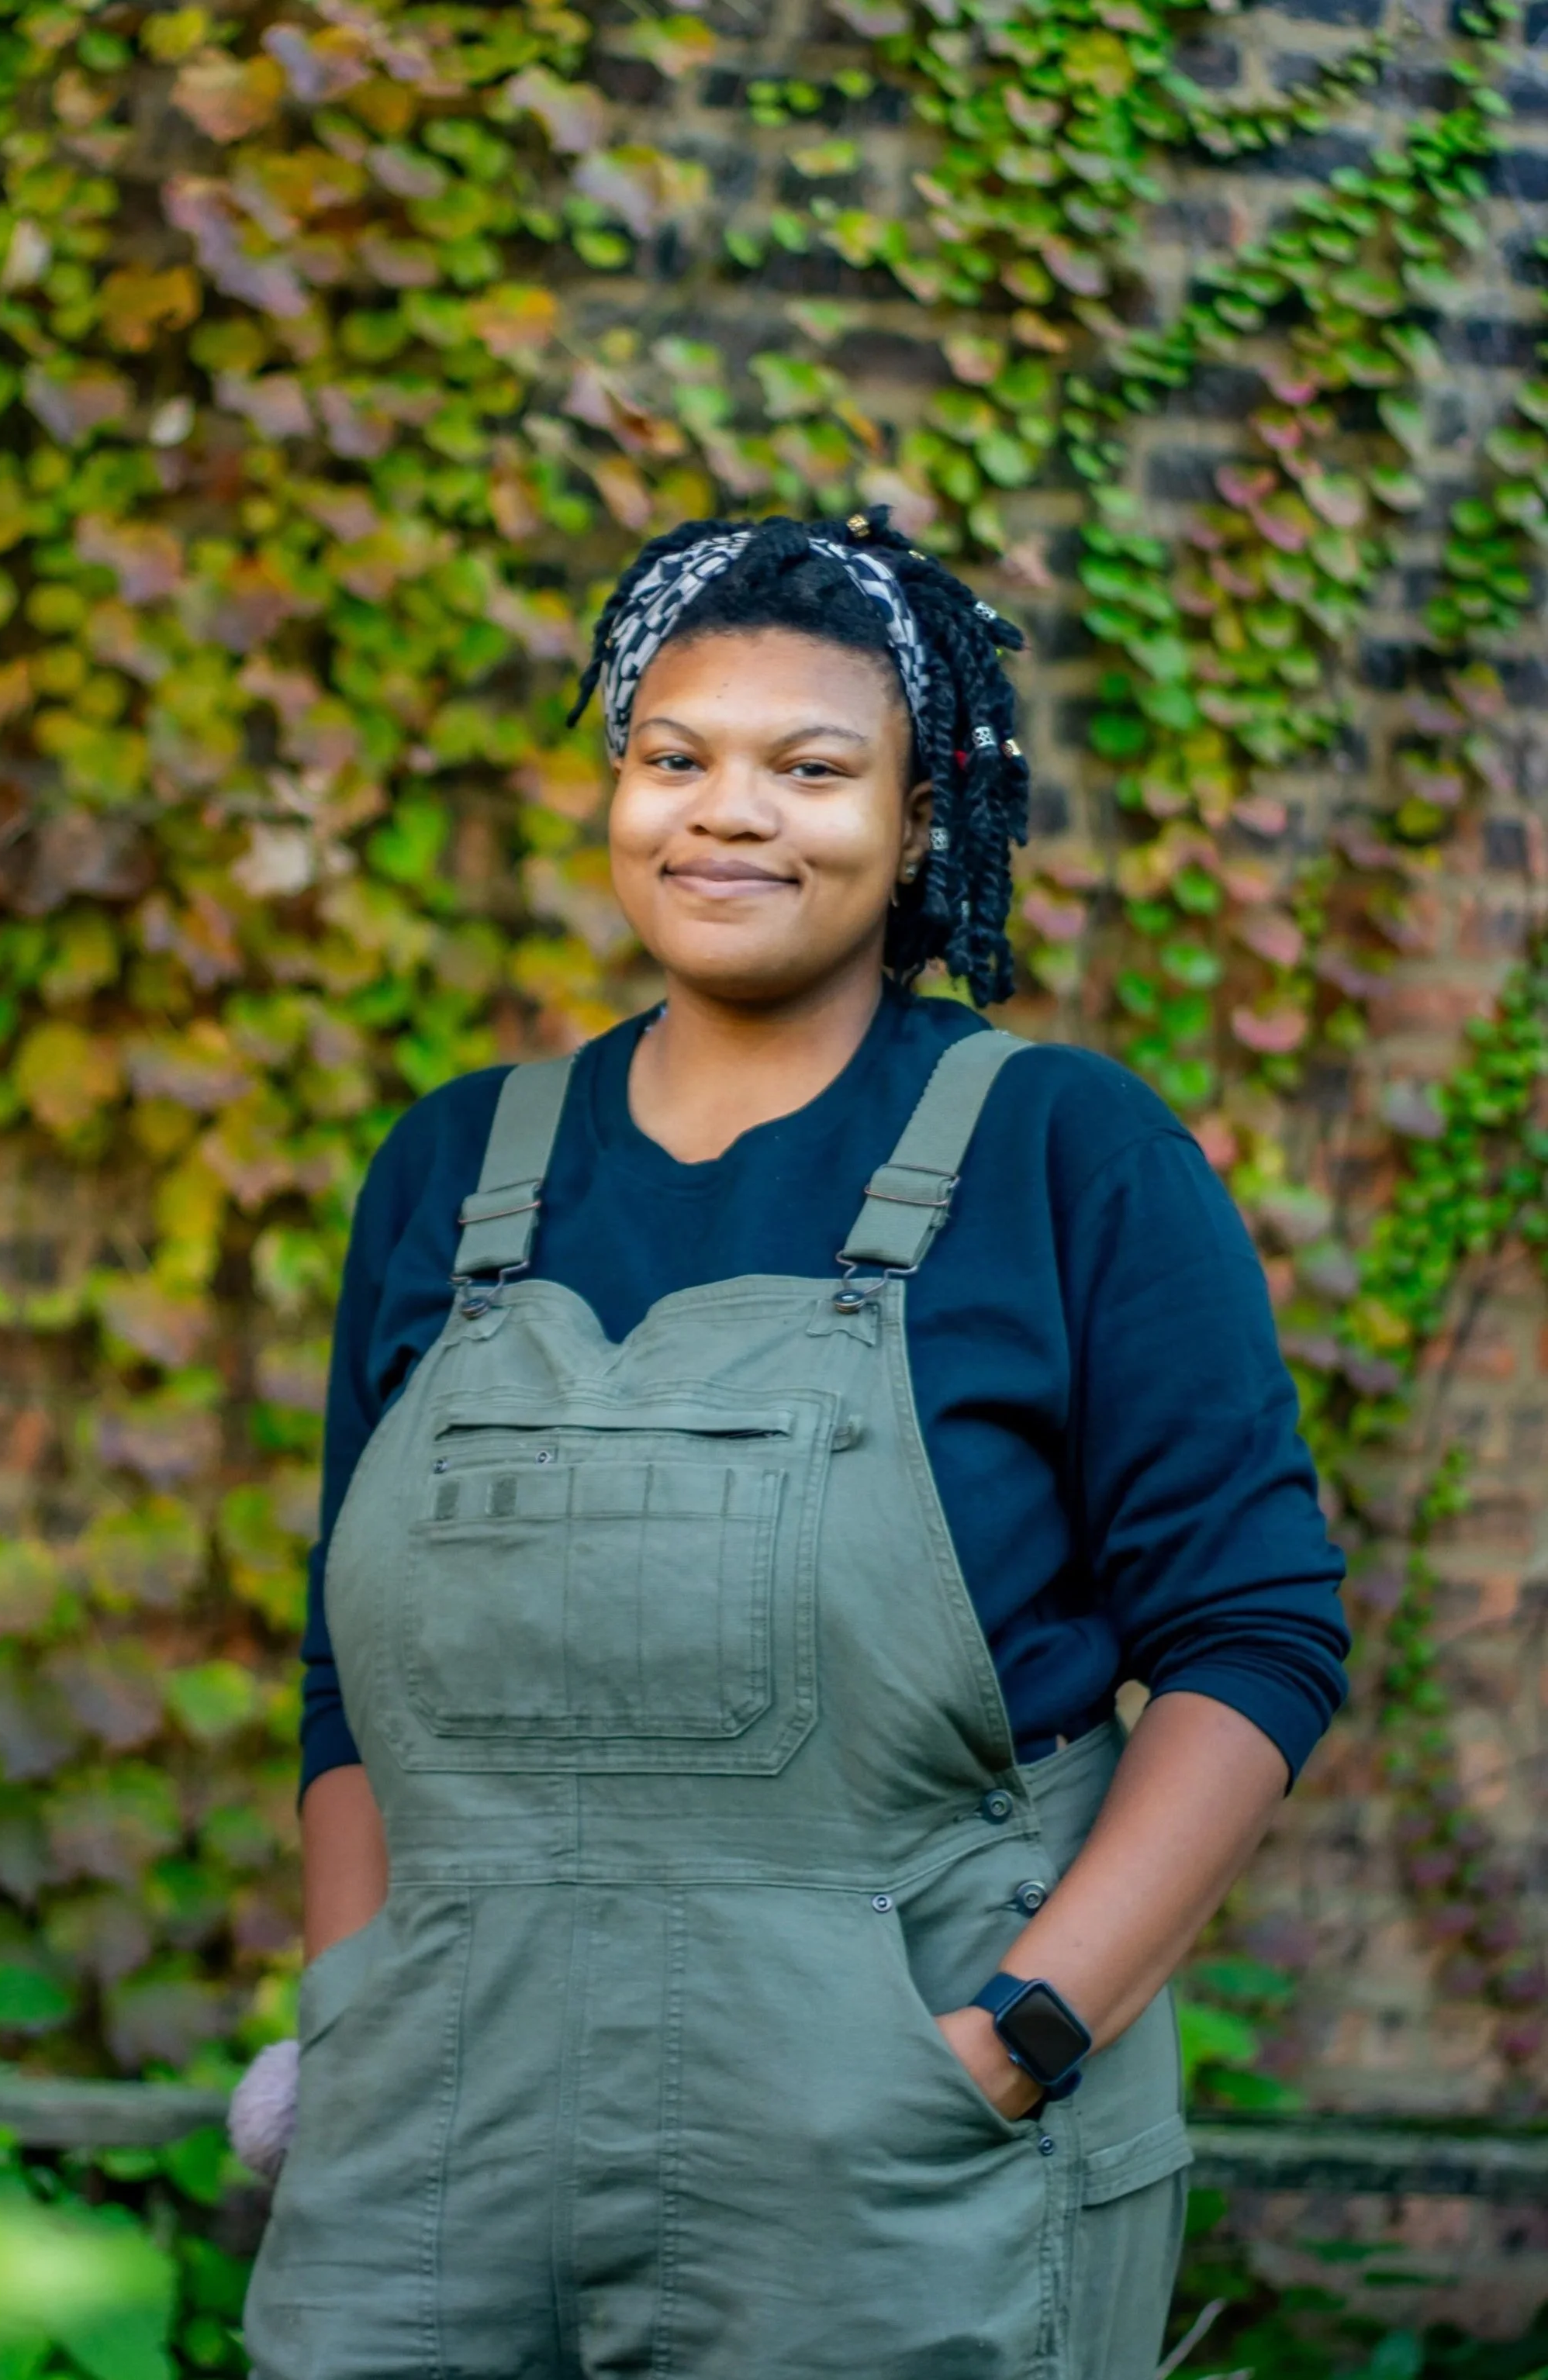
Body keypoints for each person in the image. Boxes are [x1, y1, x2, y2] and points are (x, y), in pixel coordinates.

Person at [240, 506, 1349, 2379]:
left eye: (812, 769)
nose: (728, 814)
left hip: (891, 2189)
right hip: (427, 2176)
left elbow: (1256, 1638)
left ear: (915, 824)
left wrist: (1018, 2039)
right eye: (675, 757)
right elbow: (352, 1676)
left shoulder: (1064, 1154)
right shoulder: (452, 1167)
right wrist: (354, 2014)